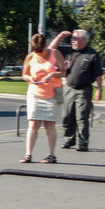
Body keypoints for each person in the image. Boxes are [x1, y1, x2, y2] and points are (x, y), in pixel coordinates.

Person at [49, 29, 103, 152]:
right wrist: (60, 36)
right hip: (69, 88)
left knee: (82, 117)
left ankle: (83, 143)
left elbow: (98, 74)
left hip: (84, 89)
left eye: (75, 38)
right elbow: (51, 49)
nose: (72, 40)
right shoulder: (68, 50)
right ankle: (69, 139)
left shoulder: (92, 54)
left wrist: (99, 89)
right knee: (67, 115)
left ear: (84, 40)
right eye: (72, 38)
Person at [19, 34, 65, 164]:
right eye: (36, 50)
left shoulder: (55, 53)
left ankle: (51, 155)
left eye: (41, 50)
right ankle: (28, 154)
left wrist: (52, 75)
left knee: (49, 124)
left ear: (46, 45)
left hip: (52, 93)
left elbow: (64, 72)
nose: (39, 53)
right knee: (33, 123)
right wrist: (29, 78)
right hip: (35, 92)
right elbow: (24, 74)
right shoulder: (31, 56)